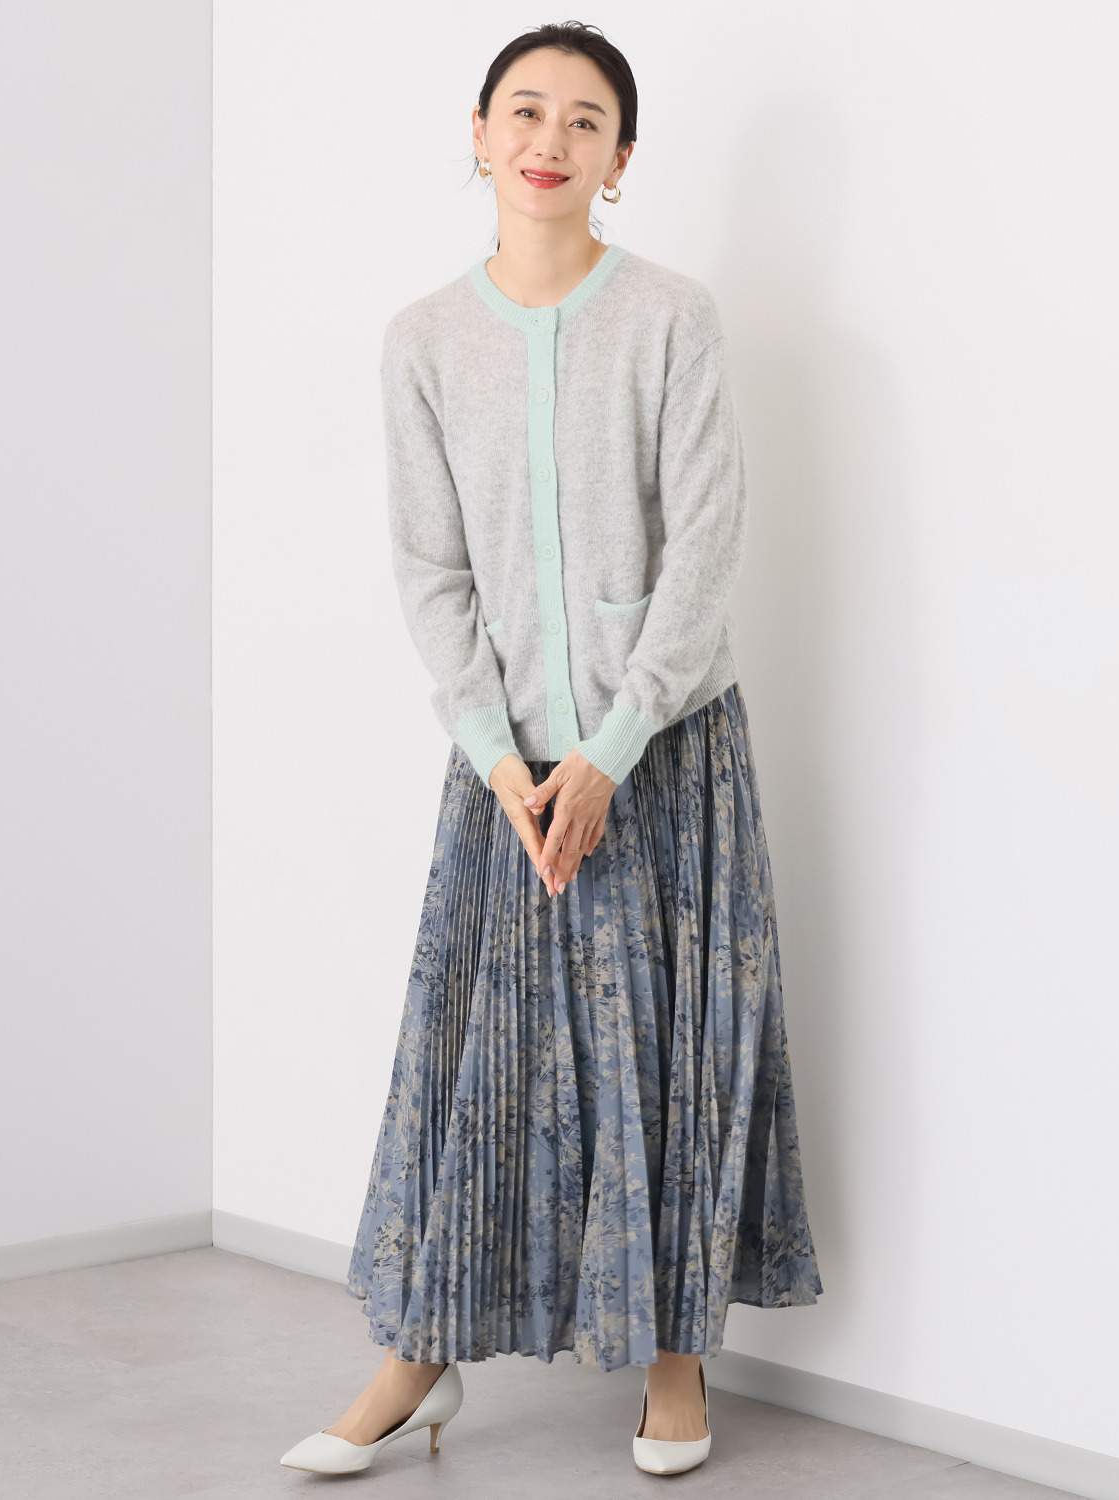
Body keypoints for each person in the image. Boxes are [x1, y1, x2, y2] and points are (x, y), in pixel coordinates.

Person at [280, 20, 822, 1479]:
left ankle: (673, 1364)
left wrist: (615, 744)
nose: (551, 139)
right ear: (478, 135)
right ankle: (415, 1361)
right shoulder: (422, 341)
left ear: (621, 160)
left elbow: (706, 542)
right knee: (475, 1066)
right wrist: (500, 753)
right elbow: (431, 568)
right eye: (526, 111)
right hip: (505, 772)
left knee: (666, 1056)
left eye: (587, 121)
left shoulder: (673, 320)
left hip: (665, 754)